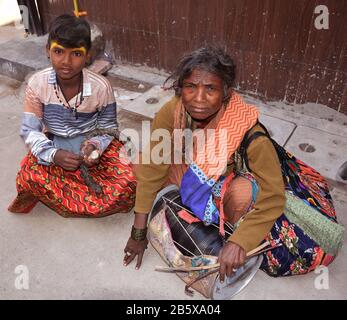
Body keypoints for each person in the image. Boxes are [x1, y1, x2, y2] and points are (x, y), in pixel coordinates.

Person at [123, 46, 343, 280]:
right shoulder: (174, 112)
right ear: (180, 90)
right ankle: (201, 200)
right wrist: (139, 232)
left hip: (238, 184)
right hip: (204, 175)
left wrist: (240, 241)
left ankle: (227, 222)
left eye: (210, 89)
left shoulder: (251, 134)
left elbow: (273, 197)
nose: (199, 99)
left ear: (226, 92)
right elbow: (153, 170)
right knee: (143, 164)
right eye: (190, 87)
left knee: (241, 194)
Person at [8, 14, 136, 217]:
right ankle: (78, 194)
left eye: (76, 54)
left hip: (91, 143)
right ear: (47, 51)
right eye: (58, 51)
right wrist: (54, 155)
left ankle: (71, 195)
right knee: (28, 176)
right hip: (55, 143)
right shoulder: (37, 84)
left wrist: (95, 146)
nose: (66, 61)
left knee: (130, 178)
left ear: (87, 56)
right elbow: (30, 130)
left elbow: (108, 126)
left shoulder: (101, 87)